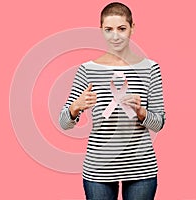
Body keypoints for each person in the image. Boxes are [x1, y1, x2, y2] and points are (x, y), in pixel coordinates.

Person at [59, 2, 165, 200]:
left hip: (141, 168)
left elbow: (159, 124)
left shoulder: (150, 69)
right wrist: (75, 108)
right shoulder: (87, 70)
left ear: (132, 28)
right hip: (99, 169)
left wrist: (141, 112)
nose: (115, 36)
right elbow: (64, 123)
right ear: (101, 31)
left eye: (121, 28)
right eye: (108, 29)